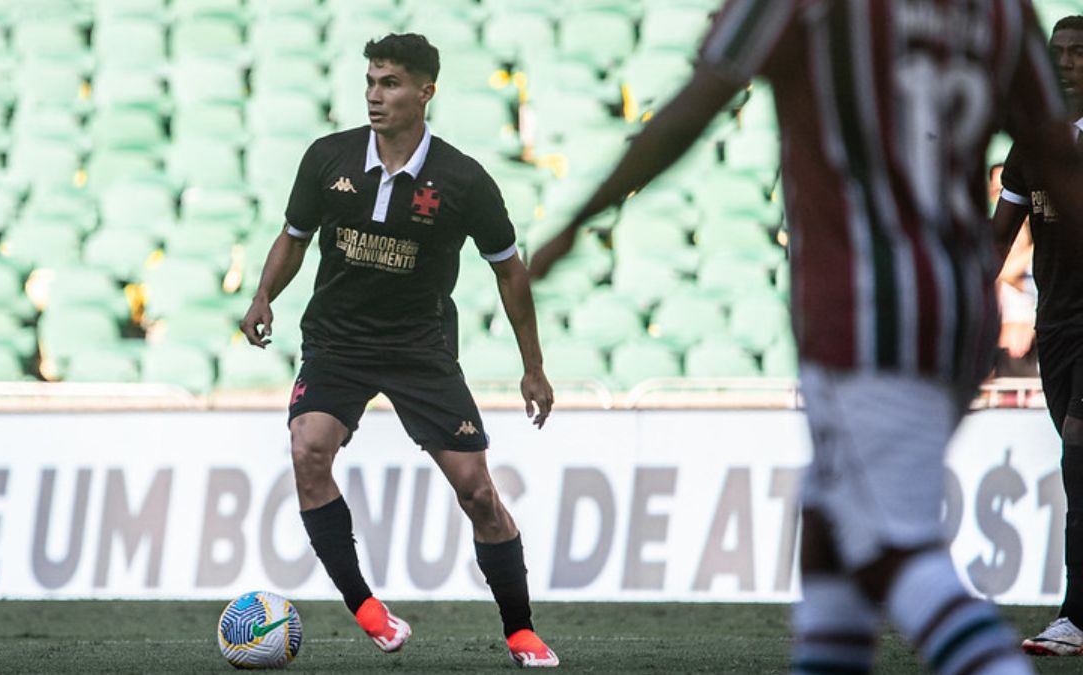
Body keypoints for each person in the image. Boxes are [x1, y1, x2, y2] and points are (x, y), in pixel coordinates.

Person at [530, 2, 1083, 673]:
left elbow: (697, 103)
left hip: (864, 310)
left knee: (888, 550)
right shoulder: (999, 11)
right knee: (826, 539)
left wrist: (577, 220)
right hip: (957, 310)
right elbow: (1057, 159)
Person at [239, 33, 559, 668]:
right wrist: (263, 295)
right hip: (337, 341)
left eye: (389, 84)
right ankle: (367, 609)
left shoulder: (464, 180)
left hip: (421, 348)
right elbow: (294, 237)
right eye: (370, 82)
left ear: (425, 92)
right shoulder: (327, 160)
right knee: (308, 449)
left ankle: (520, 630)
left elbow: (509, 271)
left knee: (477, 492)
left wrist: (533, 367)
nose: (374, 96)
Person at [993, 14, 1083, 657]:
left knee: (1078, 459)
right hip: (1058, 327)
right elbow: (997, 239)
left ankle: (1075, 617)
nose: (1067, 62)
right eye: (1058, 53)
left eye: (1080, 52)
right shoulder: (1033, 144)